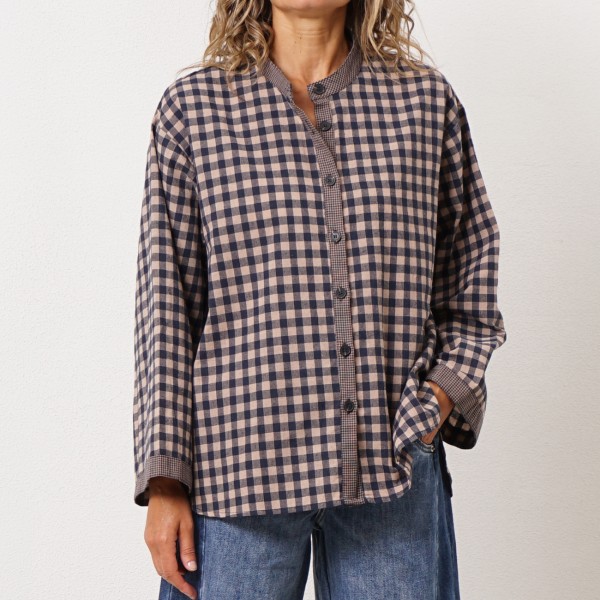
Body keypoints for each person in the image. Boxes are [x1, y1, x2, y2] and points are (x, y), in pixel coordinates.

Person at [132, 0, 507, 598]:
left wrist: (436, 403)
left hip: (392, 471)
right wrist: (164, 482)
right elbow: (167, 310)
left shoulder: (425, 103)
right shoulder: (194, 110)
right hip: (236, 477)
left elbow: (470, 277)